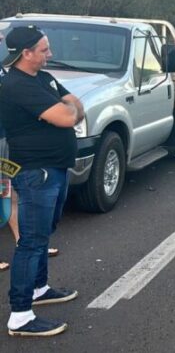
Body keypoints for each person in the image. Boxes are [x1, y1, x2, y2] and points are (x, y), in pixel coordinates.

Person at [0, 25, 83, 337]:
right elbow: (67, 116)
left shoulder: (43, 78)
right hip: (36, 172)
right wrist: (67, 111)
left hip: (55, 169)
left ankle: (38, 288)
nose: (50, 54)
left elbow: (74, 103)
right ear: (26, 53)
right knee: (31, 242)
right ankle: (20, 315)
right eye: (45, 49)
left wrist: (68, 109)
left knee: (43, 233)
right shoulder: (17, 85)